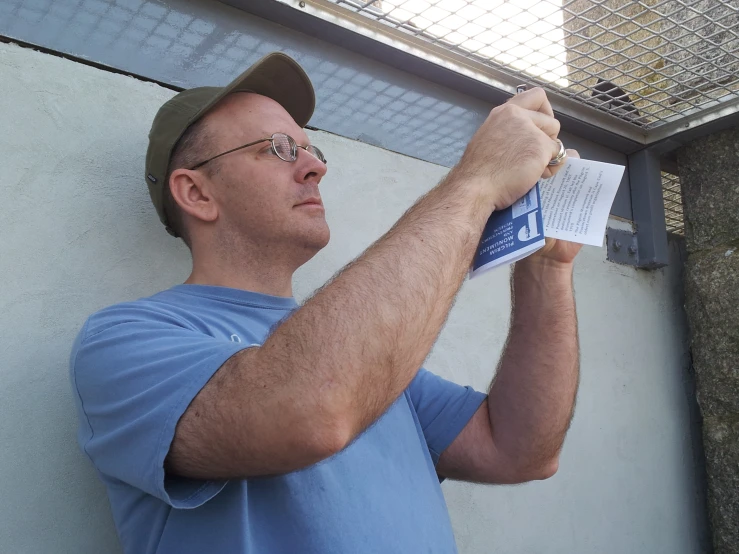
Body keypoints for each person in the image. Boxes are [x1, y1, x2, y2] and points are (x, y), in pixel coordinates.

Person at [70, 52, 581, 554]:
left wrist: (547, 266)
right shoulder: (125, 342)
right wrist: (476, 183)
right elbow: (314, 410)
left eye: (313, 150)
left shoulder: (366, 358)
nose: (315, 167)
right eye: (278, 148)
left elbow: (518, 450)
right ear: (197, 193)